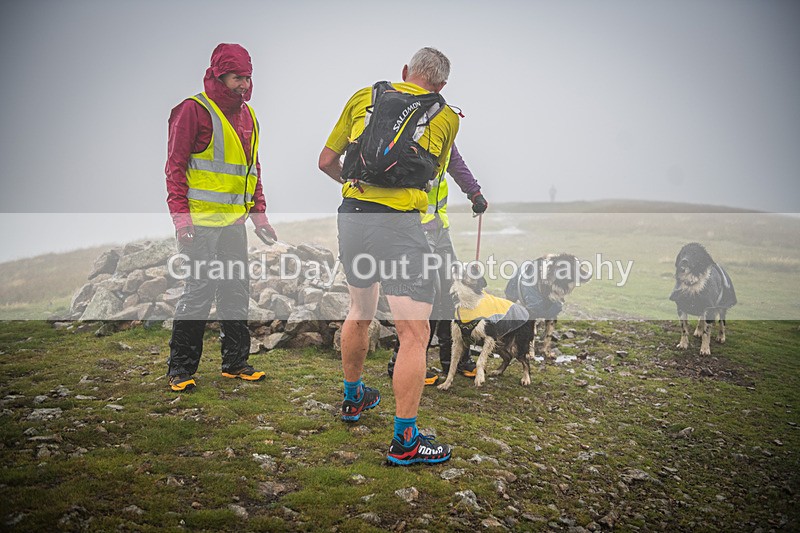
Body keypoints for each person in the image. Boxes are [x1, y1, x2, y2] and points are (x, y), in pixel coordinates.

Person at [319, 47, 459, 465]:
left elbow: (326, 161)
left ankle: (353, 399)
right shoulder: (446, 116)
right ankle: (406, 441)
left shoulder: (364, 96)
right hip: (399, 227)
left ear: (404, 71)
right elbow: (432, 176)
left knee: (359, 310)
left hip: (352, 217)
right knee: (413, 333)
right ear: (441, 85)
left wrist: (357, 186)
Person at [165, 43, 277, 392]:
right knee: (199, 293)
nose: (244, 85)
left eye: (247, 78)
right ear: (218, 75)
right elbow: (174, 168)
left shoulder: (249, 116)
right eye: (236, 78)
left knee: (235, 292)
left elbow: (251, 170)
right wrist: (181, 220)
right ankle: (180, 370)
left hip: (234, 224)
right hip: (199, 224)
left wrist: (259, 216)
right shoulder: (192, 110)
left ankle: (235, 364)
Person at [386, 144, 488, 385]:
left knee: (452, 292)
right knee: (423, 296)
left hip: (440, 229)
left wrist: (474, 192)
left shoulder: (444, 135)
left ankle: (454, 359)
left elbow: (456, 163)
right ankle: (402, 363)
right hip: (413, 228)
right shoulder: (412, 134)